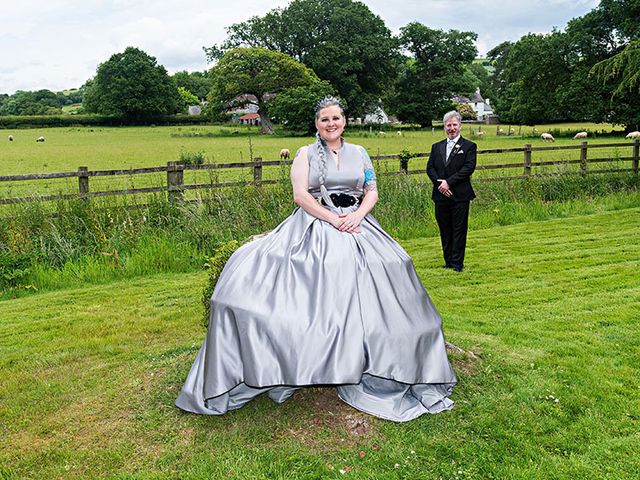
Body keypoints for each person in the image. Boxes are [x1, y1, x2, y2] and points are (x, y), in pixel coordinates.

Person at [176, 96, 456, 422]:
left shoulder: (361, 153)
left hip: (357, 221)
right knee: (321, 269)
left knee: (392, 263)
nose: (331, 124)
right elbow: (300, 196)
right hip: (316, 222)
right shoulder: (305, 154)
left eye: (336, 118)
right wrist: (332, 219)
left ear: (344, 121)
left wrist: (358, 216)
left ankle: (378, 356)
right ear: (317, 125)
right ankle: (311, 355)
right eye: (324, 119)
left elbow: (372, 191)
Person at [426, 111, 477, 272]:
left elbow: (468, 168)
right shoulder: (436, 147)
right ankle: (447, 261)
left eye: (455, 125)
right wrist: (440, 185)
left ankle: (457, 264)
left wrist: (449, 183)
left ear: (460, 126)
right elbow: (430, 168)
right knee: (445, 229)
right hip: (440, 196)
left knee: (459, 230)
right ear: (444, 127)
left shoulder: (469, 146)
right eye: (449, 125)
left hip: (460, 195)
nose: (452, 128)